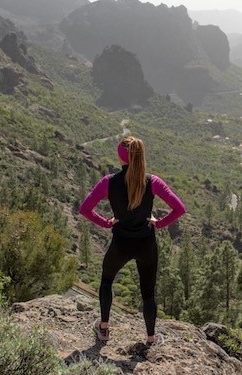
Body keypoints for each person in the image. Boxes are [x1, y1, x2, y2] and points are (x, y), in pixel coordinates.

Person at [79, 136, 186, 346]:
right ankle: (151, 338)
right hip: (146, 243)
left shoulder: (108, 182)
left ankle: (104, 328)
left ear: (120, 156)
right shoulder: (152, 182)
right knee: (148, 293)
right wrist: (160, 223)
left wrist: (106, 223)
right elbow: (179, 208)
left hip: (121, 242)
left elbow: (85, 209)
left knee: (107, 281)